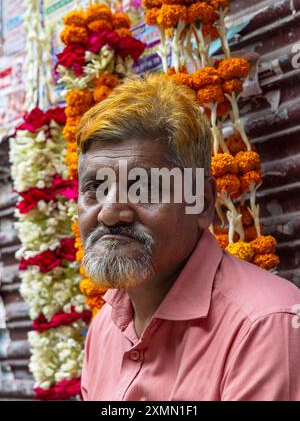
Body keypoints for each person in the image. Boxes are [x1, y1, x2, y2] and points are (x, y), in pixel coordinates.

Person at [77, 73, 300, 401]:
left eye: (142, 188)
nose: (109, 213)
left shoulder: (265, 324)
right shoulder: (104, 328)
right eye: (96, 188)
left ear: (203, 202)